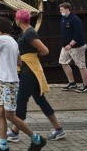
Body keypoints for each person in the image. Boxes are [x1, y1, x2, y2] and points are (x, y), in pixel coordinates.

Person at [0, 17, 47, 151]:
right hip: (7, 80)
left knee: (9, 115)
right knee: (0, 111)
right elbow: (19, 62)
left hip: (7, 81)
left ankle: (36, 139)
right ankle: (3, 145)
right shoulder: (14, 42)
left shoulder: (0, 39)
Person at [6, 9, 67, 142]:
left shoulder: (29, 33)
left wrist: (30, 57)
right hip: (30, 70)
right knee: (40, 100)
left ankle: (15, 132)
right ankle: (58, 129)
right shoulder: (27, 32)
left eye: (16, 18)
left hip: (30, 71)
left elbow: (44, 50)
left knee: (21, 100)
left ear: (20, 19)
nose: (15, 20)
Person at [59, 2, 87, 93]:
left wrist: (71, 45)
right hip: (65, 46)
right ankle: (72, 83)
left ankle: (86, 86)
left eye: (62, 9)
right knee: (63, 62)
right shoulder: (63, 18)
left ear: (67, 9)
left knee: (81, 65)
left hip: (77, 46)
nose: (60, 11)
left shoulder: (75, 20)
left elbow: (78, 34)